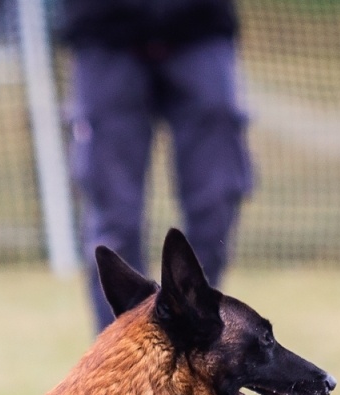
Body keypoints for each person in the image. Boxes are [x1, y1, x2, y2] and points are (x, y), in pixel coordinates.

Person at [63, 0, 252, 330]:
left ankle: (197, 337)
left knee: (216, 201)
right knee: (113, 220)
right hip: (104, 34)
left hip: (201, 27)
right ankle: (123, 353)